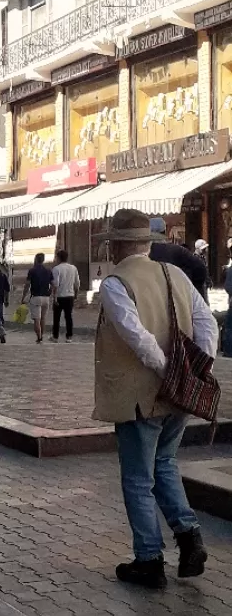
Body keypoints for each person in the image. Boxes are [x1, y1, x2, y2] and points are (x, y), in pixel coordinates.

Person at [94, 209, 218, 589]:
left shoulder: (115, 283)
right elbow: (207, 323)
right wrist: (196, 370)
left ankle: (149, 560)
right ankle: (189, 536)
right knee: (164, 463)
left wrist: (167, 371)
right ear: (147, 243)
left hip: (139, 394)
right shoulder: (174, 274)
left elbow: (137, 337)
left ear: (117, 244)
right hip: (177, 395)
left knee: (137, 478)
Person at [149, 218, 209, 299]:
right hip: (175, 297)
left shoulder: (139, 254)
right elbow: (200, 269)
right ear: (164, 232)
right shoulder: (177, 251)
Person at [50, 249, 80, 342]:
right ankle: (69, 336)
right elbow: (77, 283)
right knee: (68, 317)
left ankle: (55, 336)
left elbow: (55, 284)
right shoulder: (73, 268)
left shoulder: (56, 269)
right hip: (70, 295)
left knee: (56, 317)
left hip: (59, 296)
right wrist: (76, 294)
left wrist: (54, 298)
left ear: (58, 258)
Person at [23, 253, 53, 343]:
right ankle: (42, 335)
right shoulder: (48, 271)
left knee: (37, 319)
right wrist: (50, 292)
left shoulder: (32, 271)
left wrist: (23, 296)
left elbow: (27, 284)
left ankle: (39, 337)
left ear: (36, 259)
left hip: (36, 297)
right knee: (43, 318)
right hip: (46, 297)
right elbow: (53, 284)